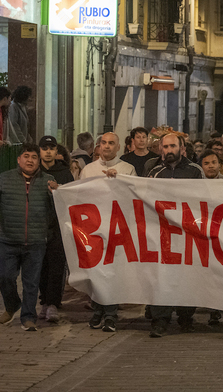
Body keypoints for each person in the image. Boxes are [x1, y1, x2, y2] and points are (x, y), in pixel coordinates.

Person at [144, 133, 204, 338]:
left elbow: (204, 200)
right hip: (162, 234)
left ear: (181, 148)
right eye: (166, 147)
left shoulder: (195, 171)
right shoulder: (154, 173)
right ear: (161, 149)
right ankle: (160, 319)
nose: (169, 150)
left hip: (187, 232)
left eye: (173, 146)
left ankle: (186, 317)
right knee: (162, 276)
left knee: (187, 275)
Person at [80, 133, 136, 332]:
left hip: (116, 229)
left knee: (112, 273)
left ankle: (110, 314)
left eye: (111, 143)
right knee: (95, 273)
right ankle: (98, 310)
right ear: (98, 146)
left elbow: (133, 196)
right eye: (103, 143)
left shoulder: (127, 169)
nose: (107, 147)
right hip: (93, 230)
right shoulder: (88, 170)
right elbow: (78, 196)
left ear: (118, 147)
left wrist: (118, 181)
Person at [0, 143, 58, 331]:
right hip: (8, 239)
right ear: (19, 159)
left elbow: (57, 210)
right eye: (26, 156)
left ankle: (28, 317)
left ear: (38, 161)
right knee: (5, 277)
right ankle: (12, 305)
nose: (30, 160)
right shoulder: (4, 179)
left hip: (36, 241)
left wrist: (55, 194)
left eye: (34, 157)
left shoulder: (48, 181)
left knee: (31, 282)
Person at [37, 136, 74, 324]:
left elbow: (72, 197)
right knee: (40, 265)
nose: (48, 151)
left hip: (59, 226)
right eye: (45, 148)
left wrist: (59, 191)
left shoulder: (65, 173)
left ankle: (53, 303)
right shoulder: (34, 172)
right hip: (38, 226)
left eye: (51, 148)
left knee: (57, 265)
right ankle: (44, 300)